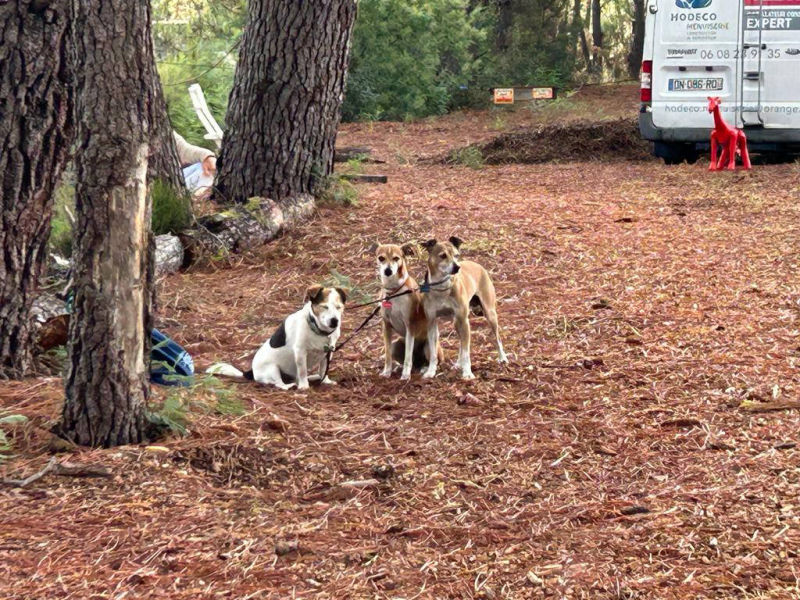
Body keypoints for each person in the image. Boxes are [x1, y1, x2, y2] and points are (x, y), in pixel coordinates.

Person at [173, 131, 216, 195]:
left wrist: (207, 157)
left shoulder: (164, 131)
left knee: (205, 170)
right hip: (161, 186)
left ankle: (193, 197)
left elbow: (184, 150)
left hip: (175, 180)